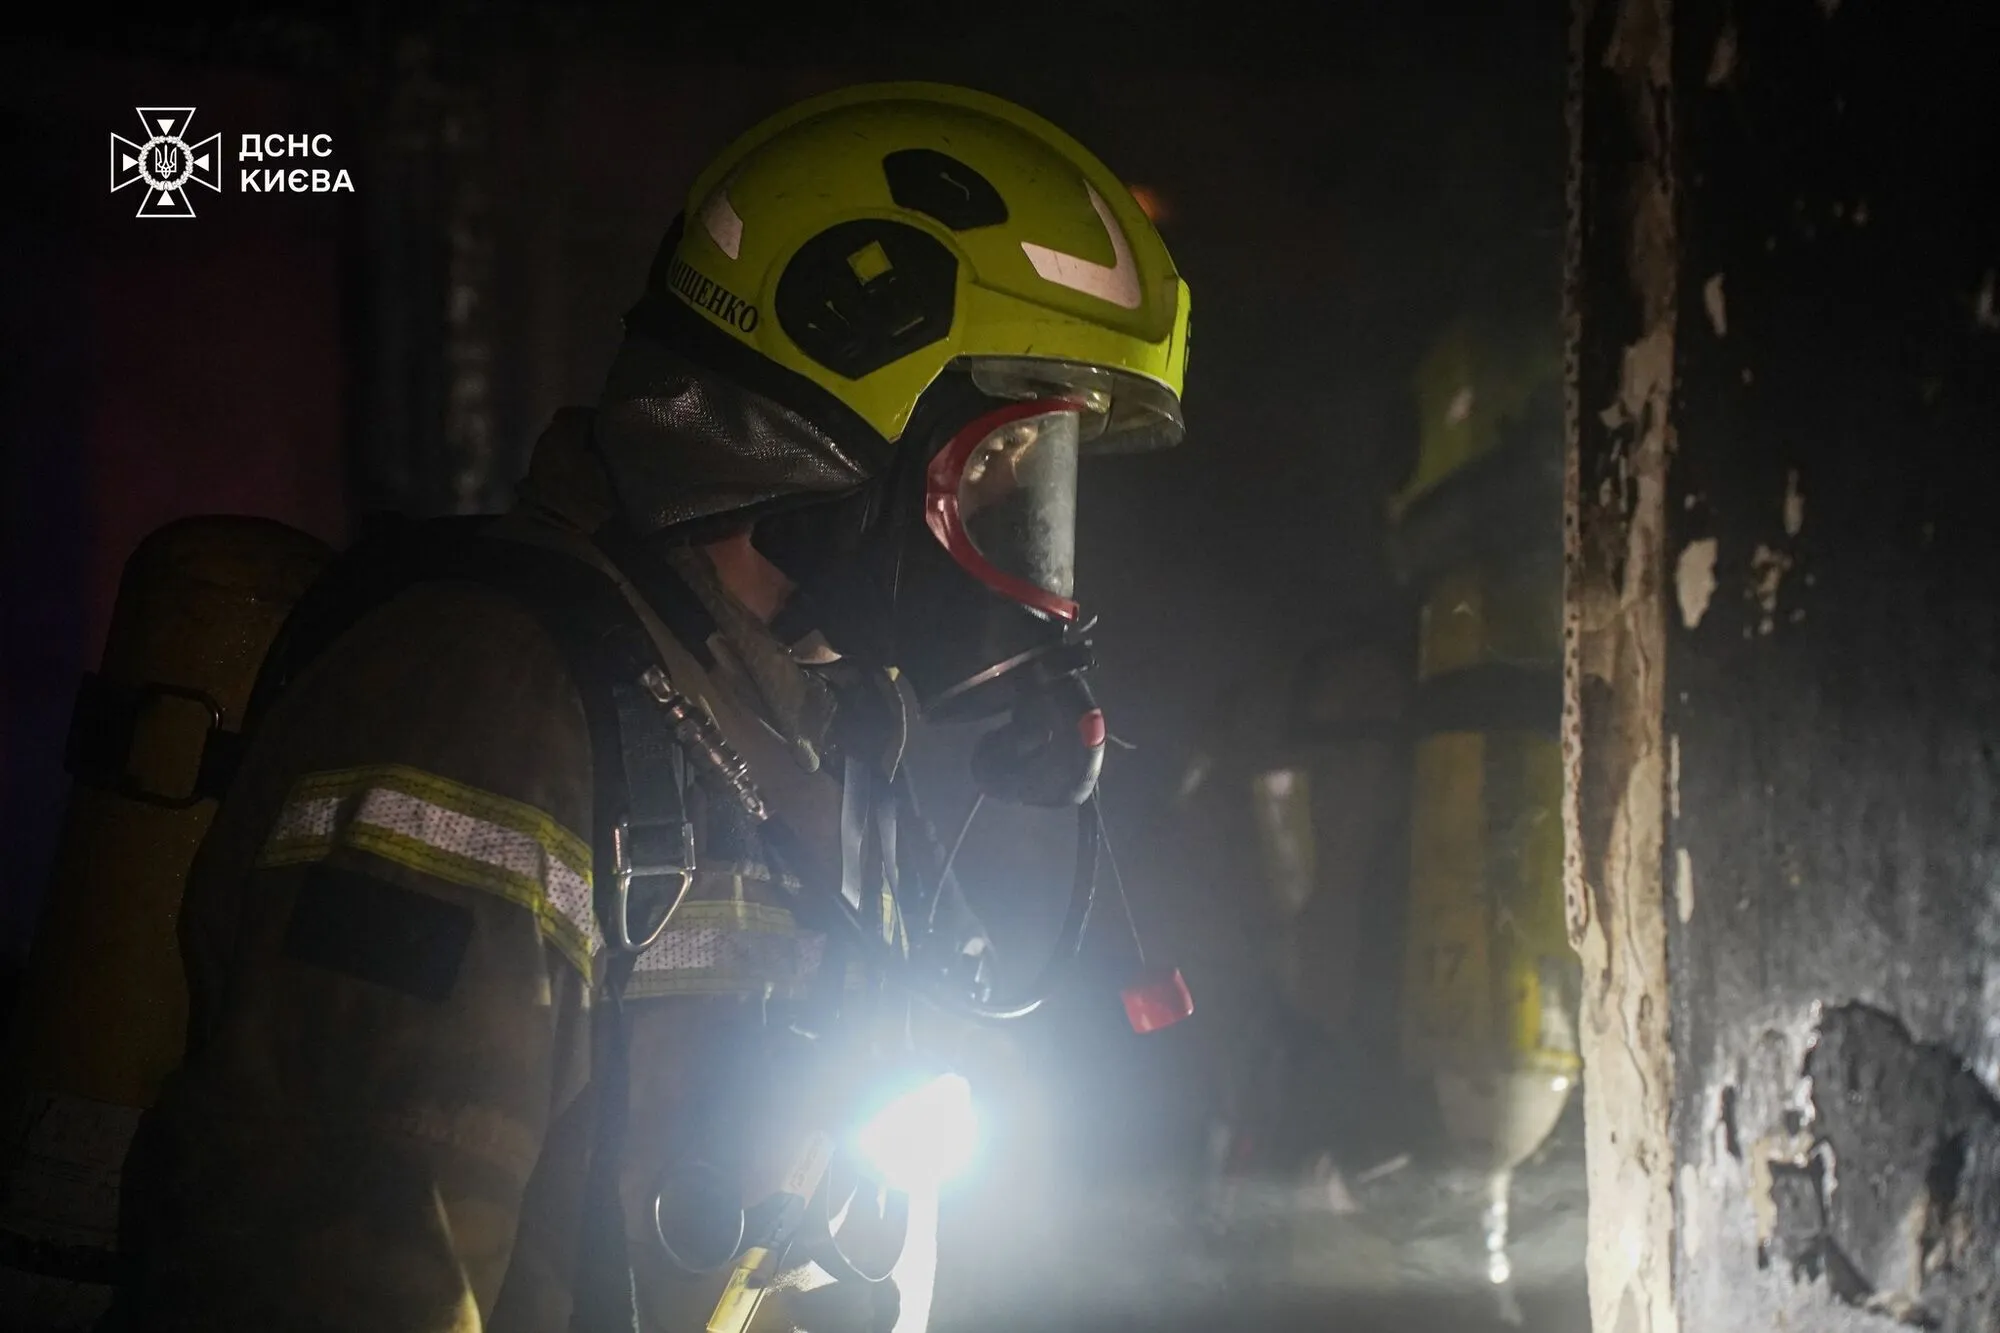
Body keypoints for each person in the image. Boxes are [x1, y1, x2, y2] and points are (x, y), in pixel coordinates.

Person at [111, 81, 1190, 1333]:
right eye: (1001, 470)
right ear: (842, 413)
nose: (1030, 555)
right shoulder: (487, 696)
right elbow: (344, 1263)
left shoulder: (819, 731)